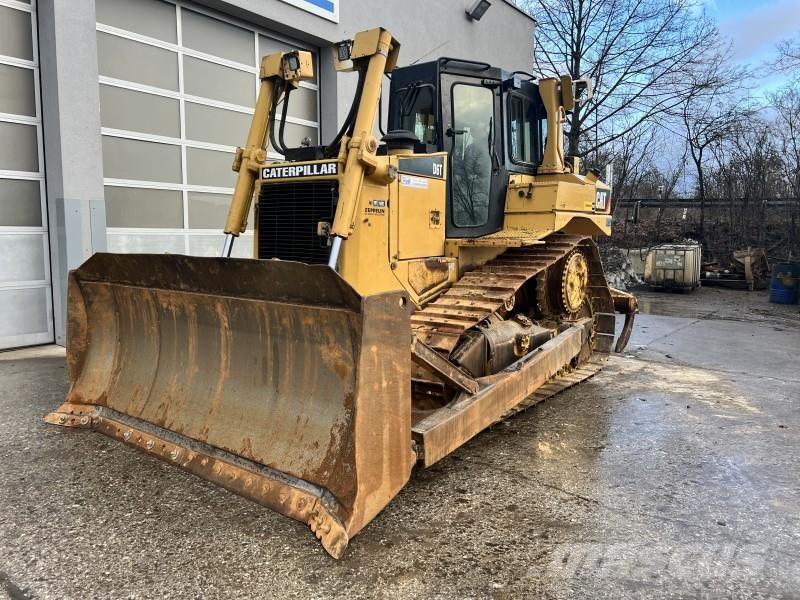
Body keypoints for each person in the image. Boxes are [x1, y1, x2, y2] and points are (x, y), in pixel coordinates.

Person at [451, 119, 491, 227]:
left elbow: (470, 173)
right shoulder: (487, 146)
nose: (473, 128)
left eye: (477, 123)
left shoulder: (476, 148)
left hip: (477, 196)